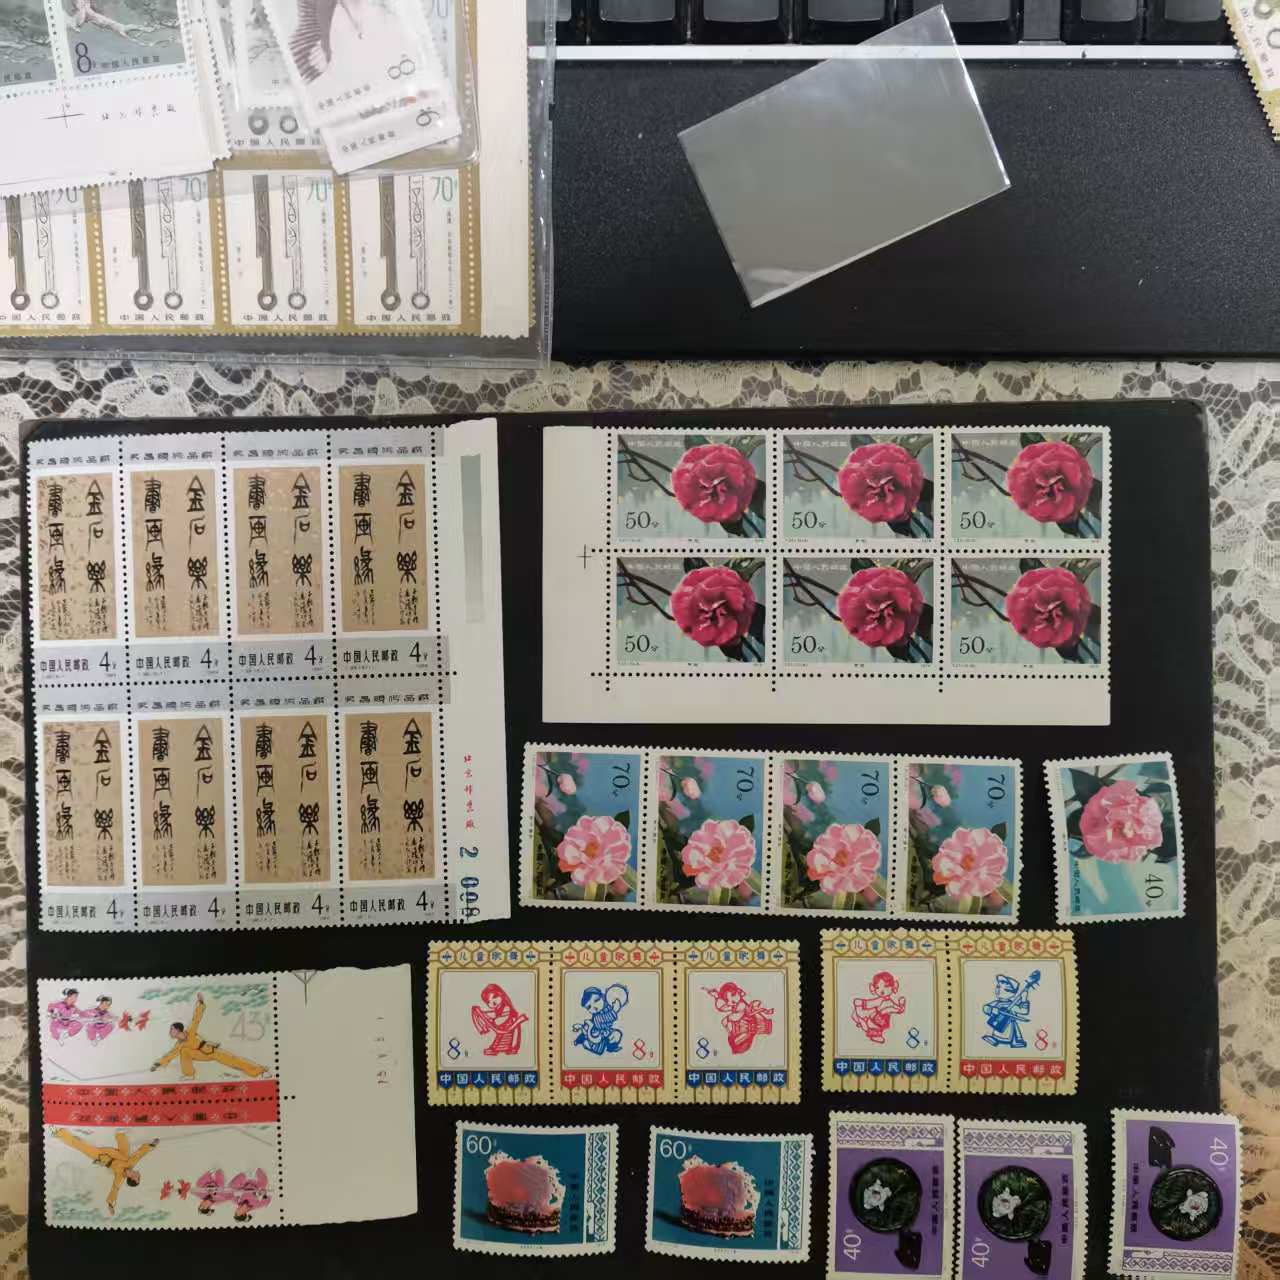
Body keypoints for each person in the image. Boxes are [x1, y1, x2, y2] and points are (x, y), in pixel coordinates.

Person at [151, 994, 266, 1079]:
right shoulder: (179, 1045)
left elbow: (196, 1018)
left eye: (171, 1029)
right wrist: (158, 1064)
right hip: (199, 1055)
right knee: (184, 1051)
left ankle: (260, 1071)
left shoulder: (190, 1031)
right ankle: (189, 1075)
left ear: (178, 1030)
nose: (170, 1032)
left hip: (210, 1050)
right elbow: (170, 1055)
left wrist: (200, 1003)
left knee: (232, 1059)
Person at [52, 1128, 157, 1216]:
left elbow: (115, 1190)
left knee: (81, 1146)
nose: (139, 1176)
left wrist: (110, 1205)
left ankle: (58, 1133)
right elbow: (139, 1154)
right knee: (126, 1153)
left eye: (138, 1178)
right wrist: (151, 1145)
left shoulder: (120, 1177)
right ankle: (119, 1134)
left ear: (133, 1178)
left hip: (101, 1156)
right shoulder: (131, 1163)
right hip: (113, 1153)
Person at [706, 981, 774, 1055]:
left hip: (744, 1034)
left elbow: (746, 1012)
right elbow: (723, 1011)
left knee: (730, 1021)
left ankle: (737, 1040)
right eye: (728, 999)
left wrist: (763, 1010)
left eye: (732, 996)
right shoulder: (735, 1005)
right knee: (726, 1022)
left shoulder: (742, 1005)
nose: (730, 1001)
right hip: (740, 1036)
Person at [981, 972, 1038, 1049]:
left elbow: (1024, 1011)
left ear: (1010, 992)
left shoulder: (1012, 1005)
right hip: (997, 1024)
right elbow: (985, 1008)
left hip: (1008, 1025)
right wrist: (992, 1009)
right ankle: (995, 1039)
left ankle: (1015, 1041)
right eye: (997, 987)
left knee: (1010, 1033)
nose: (997, 990)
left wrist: (1024, 999)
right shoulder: (997, 1003)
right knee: (997, 1032)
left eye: (999, 988)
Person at [469, 983, 528, 1056]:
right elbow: (493, 1015)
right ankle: (498, 1047)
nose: (493, 1002)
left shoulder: (506, 1008)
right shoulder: (498, 1009)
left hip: (509, 1034)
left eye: (495, 997)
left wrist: (485, 1018)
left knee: (504, 1038)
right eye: (488, 1002)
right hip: (502, 1033)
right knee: (499, 1039)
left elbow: (498, 1022)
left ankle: (508, 1047)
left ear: (501, 994)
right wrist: (480, 1013)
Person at [851, 971, 906, 1045]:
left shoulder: (888, 1001)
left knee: (872, 1023)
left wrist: (900, 1006)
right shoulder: (880, 1000)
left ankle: (867, 1027)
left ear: (893, 986)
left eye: (886, 986)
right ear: (874, 988)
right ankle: (864, 1024)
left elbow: (895, 1009)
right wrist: (861, 1004)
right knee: (855, 1014)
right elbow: (869, 1004)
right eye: (877, 987)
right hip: (874, 1017)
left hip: (879, 1021)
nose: (882, 990)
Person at [572, 984, 628, 1056]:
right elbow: (603, 1019)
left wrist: (615, 1006)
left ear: (603, 996)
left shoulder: (608, 1006)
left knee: (616, 1035)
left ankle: (611, 1047)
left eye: (596, 1000)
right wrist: (614, 1010)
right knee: (591, 1037)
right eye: (589, 1007)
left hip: (606, 1031)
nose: (594, 1007)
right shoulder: (597, 1017)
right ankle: (583, 1042)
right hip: (598, 1031)